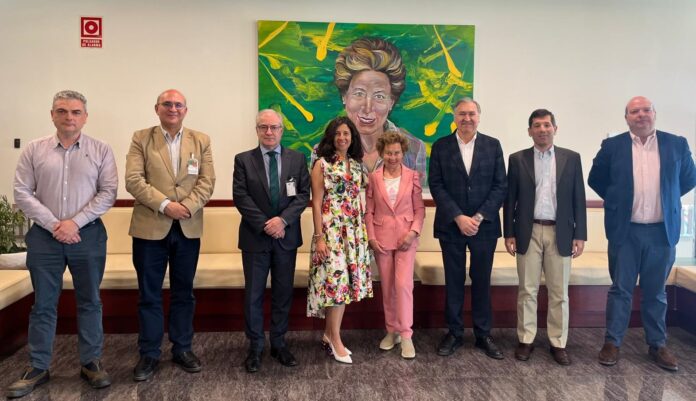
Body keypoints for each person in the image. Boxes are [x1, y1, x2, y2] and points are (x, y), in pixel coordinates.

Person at [9, 90, 117, 398]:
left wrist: (74, 223)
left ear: (85, 117)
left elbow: (108, 192)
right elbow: (22, 192)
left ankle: (91, 363)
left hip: (88, 236)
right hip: (45, 238)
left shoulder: (101, 150)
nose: (69, 117)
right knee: (43, 304)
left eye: (75, 112)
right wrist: (55, 225)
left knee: (90, 300)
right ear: (52, 115)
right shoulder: (34, 150)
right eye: (62, 111)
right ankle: (38, 366)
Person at [588, 96, 696, 371]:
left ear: (654, 114)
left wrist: (667, 199)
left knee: (656, 292)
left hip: (661, 232)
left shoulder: (676, 144)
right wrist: (618, 200)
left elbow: (688, 179)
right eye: (634, 111)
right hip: (625, 232)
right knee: (620, 290)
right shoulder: (613, 146)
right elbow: (596, 179)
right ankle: (612, 342)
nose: (641, 115)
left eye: (646, 110)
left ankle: (657, 344)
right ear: (626, 118)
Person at [125, 89, 215, 381]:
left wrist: (186, 207)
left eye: (178, 105)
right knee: (149, 293)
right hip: (150, 227)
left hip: (188, 227)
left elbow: (207, 181)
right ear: (157, 108)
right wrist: (166, 206)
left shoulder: (201, 140)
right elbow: (133, 180)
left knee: (183, 293)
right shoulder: (141, 138)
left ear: (185, 110)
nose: (173, 109)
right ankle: (149, 353)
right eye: (167, 104)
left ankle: (182, 348)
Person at [503, 109, 587, 365]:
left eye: (547, 125)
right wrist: (509, 233)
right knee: (527, 290)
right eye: (537, 125)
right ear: (529, 131)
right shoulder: (517, 159)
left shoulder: (571, 158)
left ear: (555, 129)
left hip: (561, 231)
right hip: (527, 231)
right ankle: (526, 339)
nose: (542, 129)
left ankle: (558, 342)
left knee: (559, 292)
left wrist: (580, 234)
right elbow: (510, 199)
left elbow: (578, 197)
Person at [428, 98, 507, 359]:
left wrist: (479, 216)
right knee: (454, 281)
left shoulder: (493, 145)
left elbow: (500, 185)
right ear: (454, 117)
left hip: (484, 227)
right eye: (462, 114)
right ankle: (454, 333)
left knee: (482, 280)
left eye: (472, 114)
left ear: (479, 117)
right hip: (451, 226)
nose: (467, 118)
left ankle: (483, 334)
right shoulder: (441, 146)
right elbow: (436, 185)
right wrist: (459, 217)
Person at [233, 109, 311, 373]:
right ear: (257, 130)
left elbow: (303, 195)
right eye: (263, 127)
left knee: (282, 293)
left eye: (274, 127)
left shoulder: (297, 159)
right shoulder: (243, 160)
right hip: (255, 238)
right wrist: (267, 224)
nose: (269, 132)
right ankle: (255, 346)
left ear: (281, 130)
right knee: (253, 295)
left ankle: (278, 343)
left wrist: (283, 221)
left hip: (286, 238)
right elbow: (241, 197)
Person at [312, 37, 427, 185]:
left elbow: (417, 194)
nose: (367, 107)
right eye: (359, 93)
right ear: (344, 96)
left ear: (391, 102)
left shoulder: (414, 149)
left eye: (379, 96)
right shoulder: (322, 152)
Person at [307, 116, 372, 364]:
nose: (342, 138)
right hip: (331, 234)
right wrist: (319, 238)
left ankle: (328, 335)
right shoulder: (321, 164)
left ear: (352, 137)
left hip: (353, 235)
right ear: (331, 137)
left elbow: (361, 197)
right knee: (336, 287)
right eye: (338, 134)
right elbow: (316, 203)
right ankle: (336, 340)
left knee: (344, 288)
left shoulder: (356, 165)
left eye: (346, 133)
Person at [365, 131, 425, 359]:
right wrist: (371, 238)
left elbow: (419, 209)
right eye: (389, 153)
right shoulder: (374, 177)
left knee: (403, 285)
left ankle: (406, 334)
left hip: (406, 239)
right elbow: (369, 211)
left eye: (397, 153)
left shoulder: (412, 176)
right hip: (381, 239)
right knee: (388, 286)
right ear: (382, 153)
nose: (393, 157)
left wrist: (413, 233)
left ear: (403, 152)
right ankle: (391, 331)